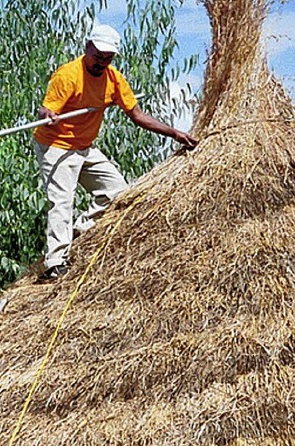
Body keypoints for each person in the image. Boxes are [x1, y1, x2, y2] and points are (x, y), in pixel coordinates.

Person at [34, 24, 198, 282]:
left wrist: (174, 133)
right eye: (98, 55)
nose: (101, 62)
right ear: (88, 47)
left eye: (107, 58)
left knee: (118, 192)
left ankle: (79, 229)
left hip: (85, 147)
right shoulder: (68, 76)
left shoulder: (113, 80)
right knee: (62, 202)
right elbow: (46, 110)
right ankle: (55, 262)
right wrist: (49, 116)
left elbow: (137, 114)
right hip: (57, 145)